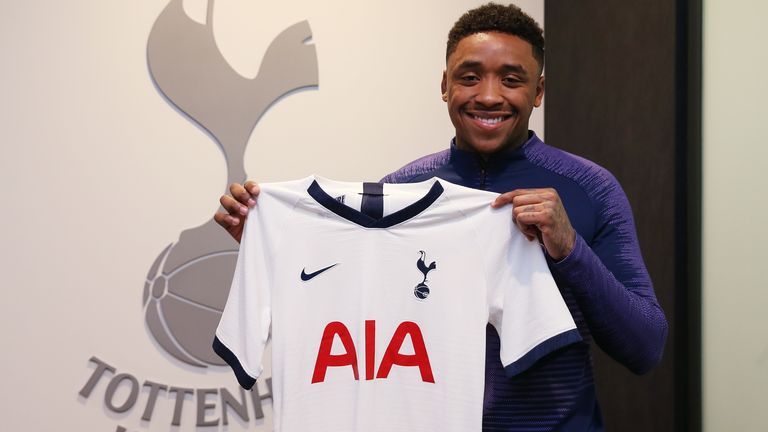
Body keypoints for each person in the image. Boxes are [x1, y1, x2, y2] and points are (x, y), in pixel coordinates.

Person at [214, 3, 668, 431]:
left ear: (539, 91)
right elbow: (357, 313)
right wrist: (272, 245)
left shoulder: (590, 189)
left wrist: (570, 249)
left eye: (512, 79)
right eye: (470, 77)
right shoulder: (399, 192)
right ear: (445, 85)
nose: (489, 96)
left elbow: (645, 347)